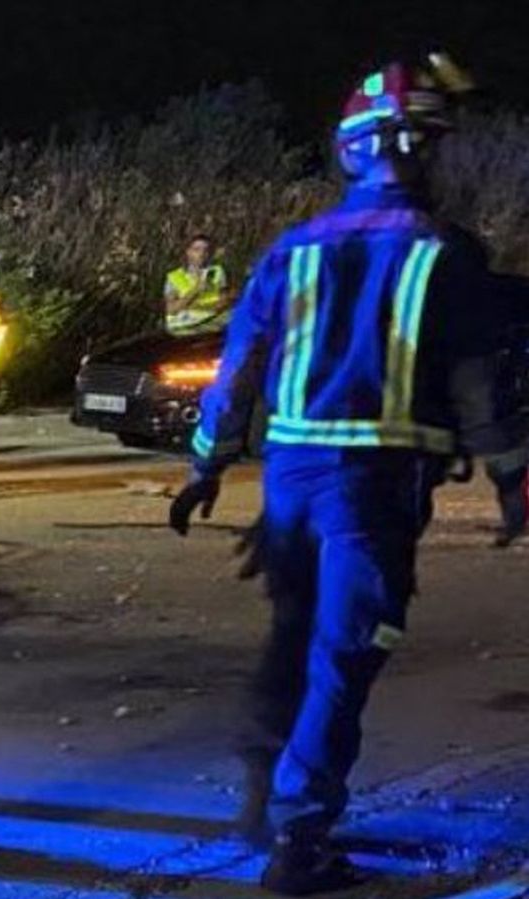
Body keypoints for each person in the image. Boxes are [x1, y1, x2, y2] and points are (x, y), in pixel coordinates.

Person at [168, 58, 510, 895]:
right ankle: (300, 837)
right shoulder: (444, 253)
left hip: (289, 481)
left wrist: (205, 464)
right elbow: (479, 384)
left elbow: (236, 371)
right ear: (411, 149)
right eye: (434, 144)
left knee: (295, 633)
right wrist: (513, 476)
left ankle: (266, 786)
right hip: (375, 484)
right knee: (344, 650)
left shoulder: (289, 251)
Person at [163, 234, 230, 335]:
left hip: (213, 321)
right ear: (188, 252)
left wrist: (201, 308)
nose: (201, 254)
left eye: (205, 250)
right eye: (197, 250)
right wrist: (195, 291)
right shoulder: (174, 276)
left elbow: (224, 301)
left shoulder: (218, 271)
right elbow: (171, 309)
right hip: (186, 325)